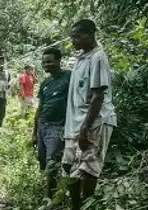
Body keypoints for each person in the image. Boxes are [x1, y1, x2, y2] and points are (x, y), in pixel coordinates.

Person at [62, 19, 117, 210]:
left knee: (88, 169)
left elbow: (98, 96)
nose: (73, 40)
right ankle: (76, 206)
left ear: (91, 34)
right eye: (72, 37)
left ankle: (86, 206)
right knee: (69, 167)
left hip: (95, 122)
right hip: (76, 124)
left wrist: (85, 127)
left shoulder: (98, 57)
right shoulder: (81, 59)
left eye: (77, 36)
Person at [32, 47, 71, 200]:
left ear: (58, 61)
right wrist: (34, 132)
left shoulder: (69, 77)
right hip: (43, 125)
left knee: (52, 162)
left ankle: (49, 196)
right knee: (44, 161)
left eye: (49, 61)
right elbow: (40, 107)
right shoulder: (45, 83)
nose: (46, 64)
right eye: (43, 62)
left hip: (58, 126)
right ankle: (52, 192)